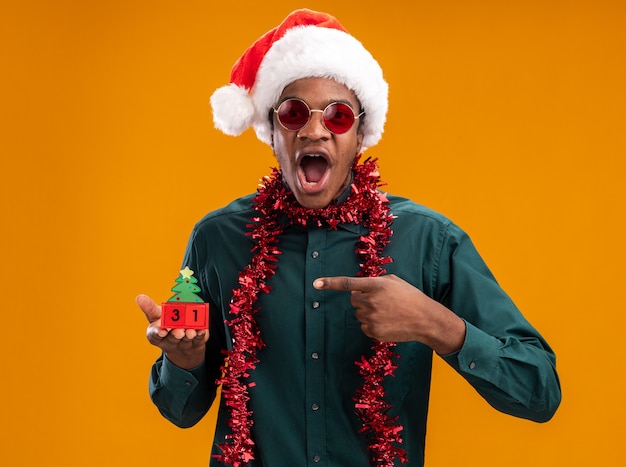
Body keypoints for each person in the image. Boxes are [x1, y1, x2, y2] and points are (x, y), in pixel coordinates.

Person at [136, 8, 561, 467]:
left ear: (360, 135)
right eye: (294, 113)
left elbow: (539, 391)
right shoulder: (218, 239)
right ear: (272, 132)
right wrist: (182, 360)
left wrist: (436, 325)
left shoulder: (429, 241)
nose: (314, 129)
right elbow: (180, 410)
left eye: (337, 116)